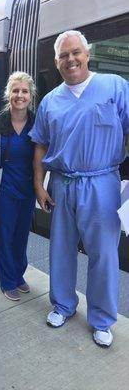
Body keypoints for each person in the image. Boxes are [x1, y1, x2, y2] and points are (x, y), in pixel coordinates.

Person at [29, 30, 129, 347]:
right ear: (56, 61)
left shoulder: (114, 86)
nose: (70, 60)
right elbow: (40, 146)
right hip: (62, 183)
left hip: (103, 183)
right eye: (63, 55)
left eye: (75, 52)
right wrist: (38, 185)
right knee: (61, 248)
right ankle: (63, 305)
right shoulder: (50, 101)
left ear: (87, 54)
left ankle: (101, 318)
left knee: (103, 255)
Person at [0, 71, 36, 301]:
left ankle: (18, 275)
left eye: (25, 91)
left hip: (28, 189)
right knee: (5, 235)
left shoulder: (37, 122)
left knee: (21, 235)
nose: (20, 95)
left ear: (31, 96)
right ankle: (7, 280)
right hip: (4, 190)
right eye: (15, 90)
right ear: (8, 93)